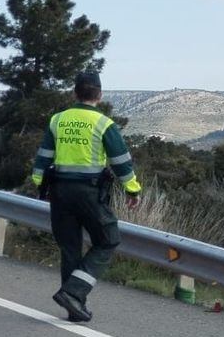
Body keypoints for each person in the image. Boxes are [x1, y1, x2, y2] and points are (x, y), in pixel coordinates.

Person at [31, 70, 142, 323]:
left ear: (75, 93)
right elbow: (121, 162)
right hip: (90, 193)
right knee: (108, 240)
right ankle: (73, 293)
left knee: (70, 248)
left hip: (59, 192)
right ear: (99, 95)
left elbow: (43, 156)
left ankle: (74, 305)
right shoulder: (104, 124)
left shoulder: (57, 120)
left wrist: (39, 183)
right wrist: (132, 189)